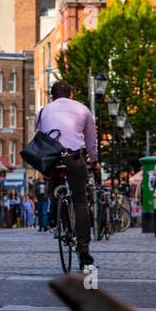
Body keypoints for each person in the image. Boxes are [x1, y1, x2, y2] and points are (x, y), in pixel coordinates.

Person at [36, 81, 98, 270]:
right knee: (80, 201)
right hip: (72, 156)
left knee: (54, 179)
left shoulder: (43, 111)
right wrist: (94, 161)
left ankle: (54, 210)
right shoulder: (84, 110)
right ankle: (84, 251)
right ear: (71, 95)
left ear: (52, 97)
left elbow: (38, 136)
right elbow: (90, 142)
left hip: (52, 157)